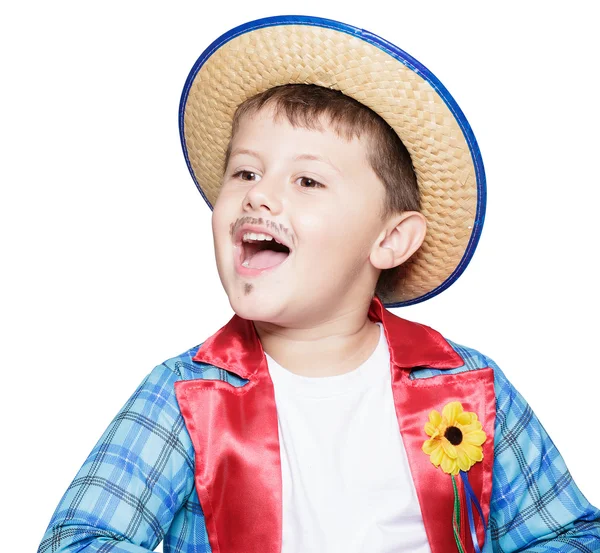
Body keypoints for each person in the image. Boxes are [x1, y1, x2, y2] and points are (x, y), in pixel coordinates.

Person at [37, 15, 600, 553]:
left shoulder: (469, 387)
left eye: (307, 180)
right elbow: (76, 540)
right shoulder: (186, 395)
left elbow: (571, 532)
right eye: (246, 172)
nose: (258, 195)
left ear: (391, 239)